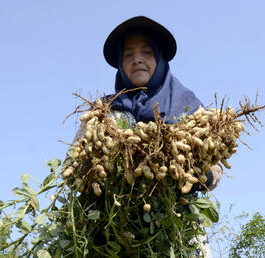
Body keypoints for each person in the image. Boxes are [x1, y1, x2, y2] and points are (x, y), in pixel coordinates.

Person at [72, 16, 222, 257]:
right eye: (128, 54)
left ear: (159, 59)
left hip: (177, 228)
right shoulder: (102, 110)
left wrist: (194, 170)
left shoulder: (189, 108)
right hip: (113, 234)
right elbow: (74, 164)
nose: (137, 59)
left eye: (146, 52)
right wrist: (97, 168)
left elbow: (215, 171)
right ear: (121, 63)